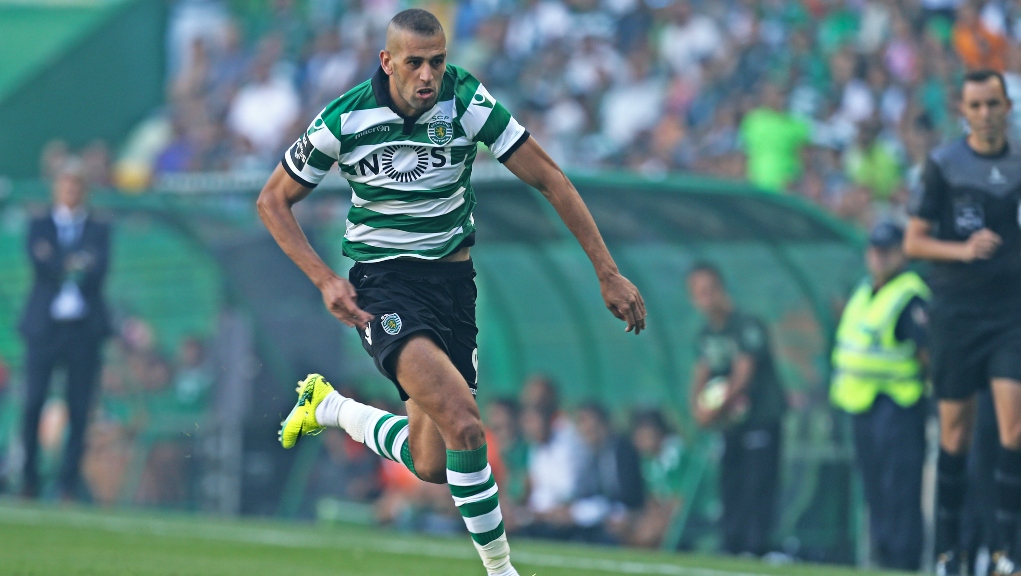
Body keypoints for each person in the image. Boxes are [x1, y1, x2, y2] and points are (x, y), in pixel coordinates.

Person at [255, 10, 646, 576]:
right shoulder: (345, 118)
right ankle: (502, 570)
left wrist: (607, 272)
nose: (428, 75)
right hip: (384, 288)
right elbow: (272, 200)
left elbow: (549, 177)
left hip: (453, 289)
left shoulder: (465, 100)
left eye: (436, 62)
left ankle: (331, 407)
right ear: (387, 62)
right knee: (465, 423)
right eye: (414, 62)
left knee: (433, 462)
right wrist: (324, 278)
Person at [904, 69, 1021, 576]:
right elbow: (913, 241)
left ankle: (1005, 552)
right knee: (955, 435)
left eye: (993, 104)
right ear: (964, 112)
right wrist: (963, 250)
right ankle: (947, 552)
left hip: (1011, 314)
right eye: (976, 106)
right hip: (956, 314)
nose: (985, 114)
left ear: (1007, 107)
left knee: (1015, 427)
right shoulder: (944, 165)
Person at [830, 222, 930, 571]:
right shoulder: (864, 290)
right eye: (874, 249)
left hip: (898, 404)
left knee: (899, 488)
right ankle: (885, 557)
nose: (879, 256)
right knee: (875, 490)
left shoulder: (909, 295)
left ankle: (904, 560)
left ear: (902, 253)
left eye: (887, 249)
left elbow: (927, 353)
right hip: (861, 403)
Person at [18, 158, 112, 500]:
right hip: (45, 328)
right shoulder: (40, 224)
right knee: (33, 403)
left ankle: (67, 484)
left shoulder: (99, 227)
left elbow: (98, 269)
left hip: (83, 330)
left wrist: (57, 260)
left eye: (76, 185)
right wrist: (73, 261)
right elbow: (40, 264)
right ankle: (29, 479)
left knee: (80, 407)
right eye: (66, 184)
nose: (71, 191)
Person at [686, 262, 786, 557]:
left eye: (709, 290)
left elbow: (744, 373)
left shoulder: (746, 325)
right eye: (698, 293)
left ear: (721, 290)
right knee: (730, 483)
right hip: (731, 423)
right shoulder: (706, 334)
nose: (705, 298)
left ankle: (757, 548)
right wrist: (697, 408)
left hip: (760, 419)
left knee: (758, 484)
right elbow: (701, 371)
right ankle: (731, 545)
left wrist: (714, 408)